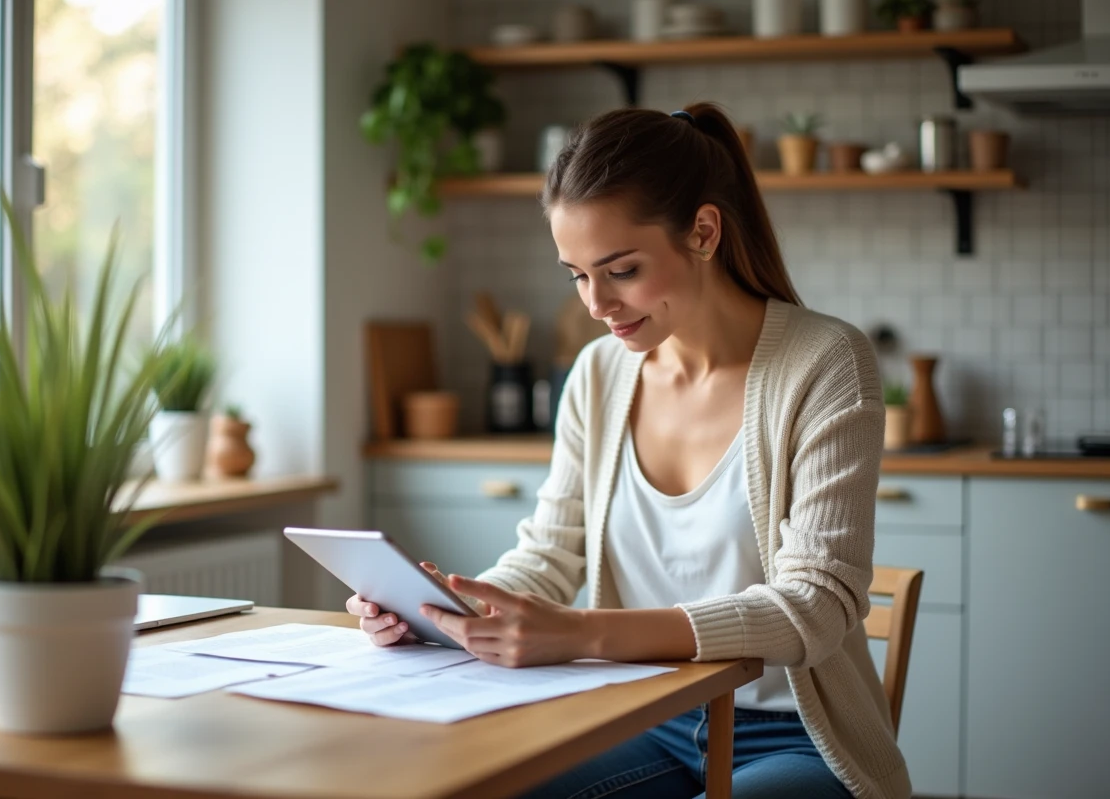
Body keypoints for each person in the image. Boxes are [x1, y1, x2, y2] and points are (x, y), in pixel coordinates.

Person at [345, 102, 911, 799]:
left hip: (795, 737)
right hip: (638, 717)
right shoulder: (599, 374)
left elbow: (816, 606)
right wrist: (447, 608)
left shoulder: (826, 362)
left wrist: (581, 632)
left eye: (620, 270)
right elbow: (550, 557)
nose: (595, 303)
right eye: (577, 274)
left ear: (703, 232)